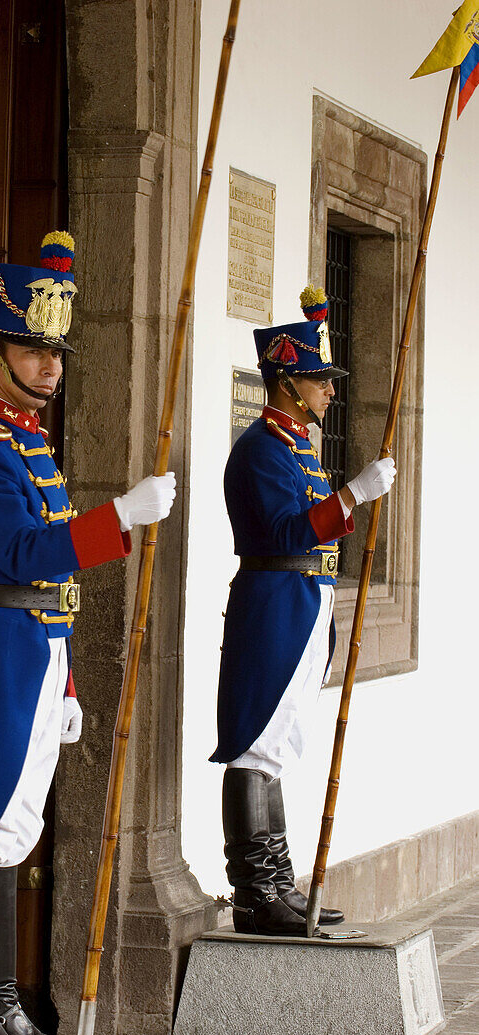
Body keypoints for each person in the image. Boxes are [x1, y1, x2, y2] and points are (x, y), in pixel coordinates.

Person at [0, 231, 176, 1035]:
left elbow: (44, 573)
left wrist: (60, 672)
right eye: (31, 346)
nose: (50, 365)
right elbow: (26, 554)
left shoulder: (28, 442)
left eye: (57, 349)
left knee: (12, 834)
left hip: (30, 655)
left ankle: (0, 1005)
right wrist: (120, 518)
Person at [211, 285, 396, 937]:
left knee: (277, 746)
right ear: (288, 382)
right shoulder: (262, 449)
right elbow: (288, 532)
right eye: (319, 380)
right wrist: (353, 495)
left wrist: (343, 501)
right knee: (253, 745)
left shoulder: (295, 449)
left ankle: (276, 884)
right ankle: (254, 891)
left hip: (302, 602)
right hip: (274, 604)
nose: (329, 392)